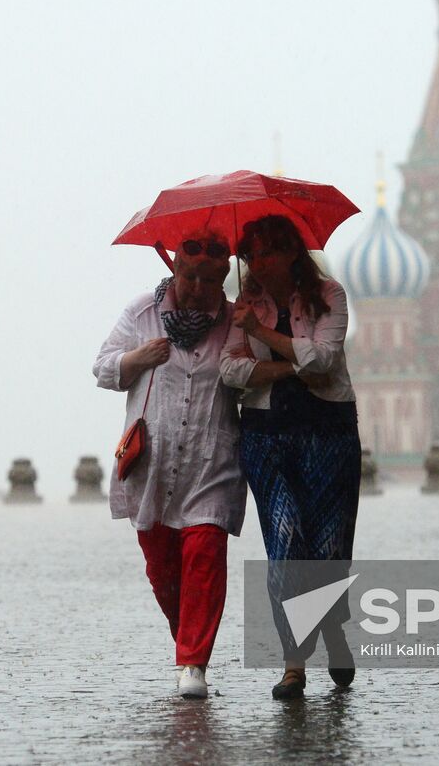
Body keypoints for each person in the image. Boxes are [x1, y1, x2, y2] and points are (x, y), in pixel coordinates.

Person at [93, 232, 244, 701]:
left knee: (204, 555)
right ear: (174, 270)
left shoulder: (235, 321)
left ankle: (193, 663)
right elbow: (102, 368)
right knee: (162, 571)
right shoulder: (143, 313)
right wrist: (139, 357)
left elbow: (245, 374)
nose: (197, 287)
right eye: (189, 276)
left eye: (209, 279)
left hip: (210, 462)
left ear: (223, 279)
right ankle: (189, 638)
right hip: (152, 466)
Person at [219, 213, 361, 700]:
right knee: (284, 543)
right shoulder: (243, 306)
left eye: (268, 251)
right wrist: (287, 367)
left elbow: (324, 361)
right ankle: (294, 664)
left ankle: (334, 629)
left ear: (291, 253)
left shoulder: (329, 296)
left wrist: (264, 335)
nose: (258, 262)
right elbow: (231, 371)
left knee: (325, 551)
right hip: (266, 438)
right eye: (251, 253)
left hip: (328, 436)